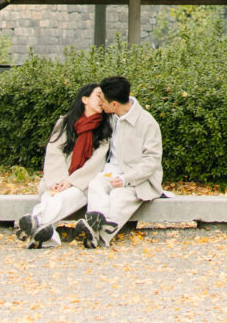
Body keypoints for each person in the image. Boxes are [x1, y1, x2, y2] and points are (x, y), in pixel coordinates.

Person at [15, 82, 112, 249]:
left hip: (83, 182)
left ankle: (37, 221)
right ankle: (46, 235)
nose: (101, 100)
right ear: (84, 99)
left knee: (64, 196)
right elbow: (54, 150)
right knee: (51, 194)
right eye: (98, 95)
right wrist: (59, 180)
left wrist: (71, 181)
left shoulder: (105, 128)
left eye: (103, 97)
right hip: (58, 176)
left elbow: (97, 161)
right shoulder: (66, 122)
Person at [79, 74, 163, 248]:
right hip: (112, 171)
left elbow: (152, 161)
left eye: (103, 100)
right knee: (96, 184)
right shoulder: (110, 118)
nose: (100, 103)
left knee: (120, 195)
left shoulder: (147, 123)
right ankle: (96, 222)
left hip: (138, 178)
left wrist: (127, 178)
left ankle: (98, 235)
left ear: (114, 104)